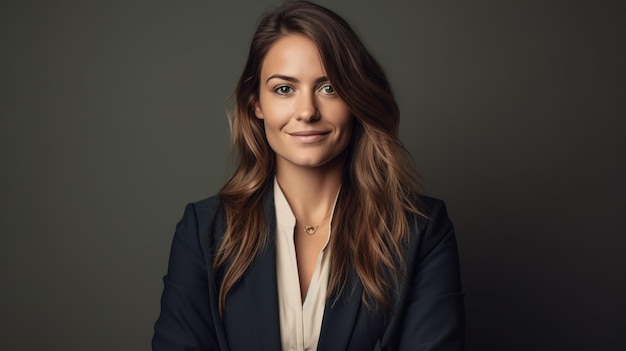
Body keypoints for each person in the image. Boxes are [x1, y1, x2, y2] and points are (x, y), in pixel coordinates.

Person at [152, 1, 464, 350]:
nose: (306, 112)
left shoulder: (421, 231)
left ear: (356, 98)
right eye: (284, 89)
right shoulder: (204, 231)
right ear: (256, 102)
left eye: (328, 87)